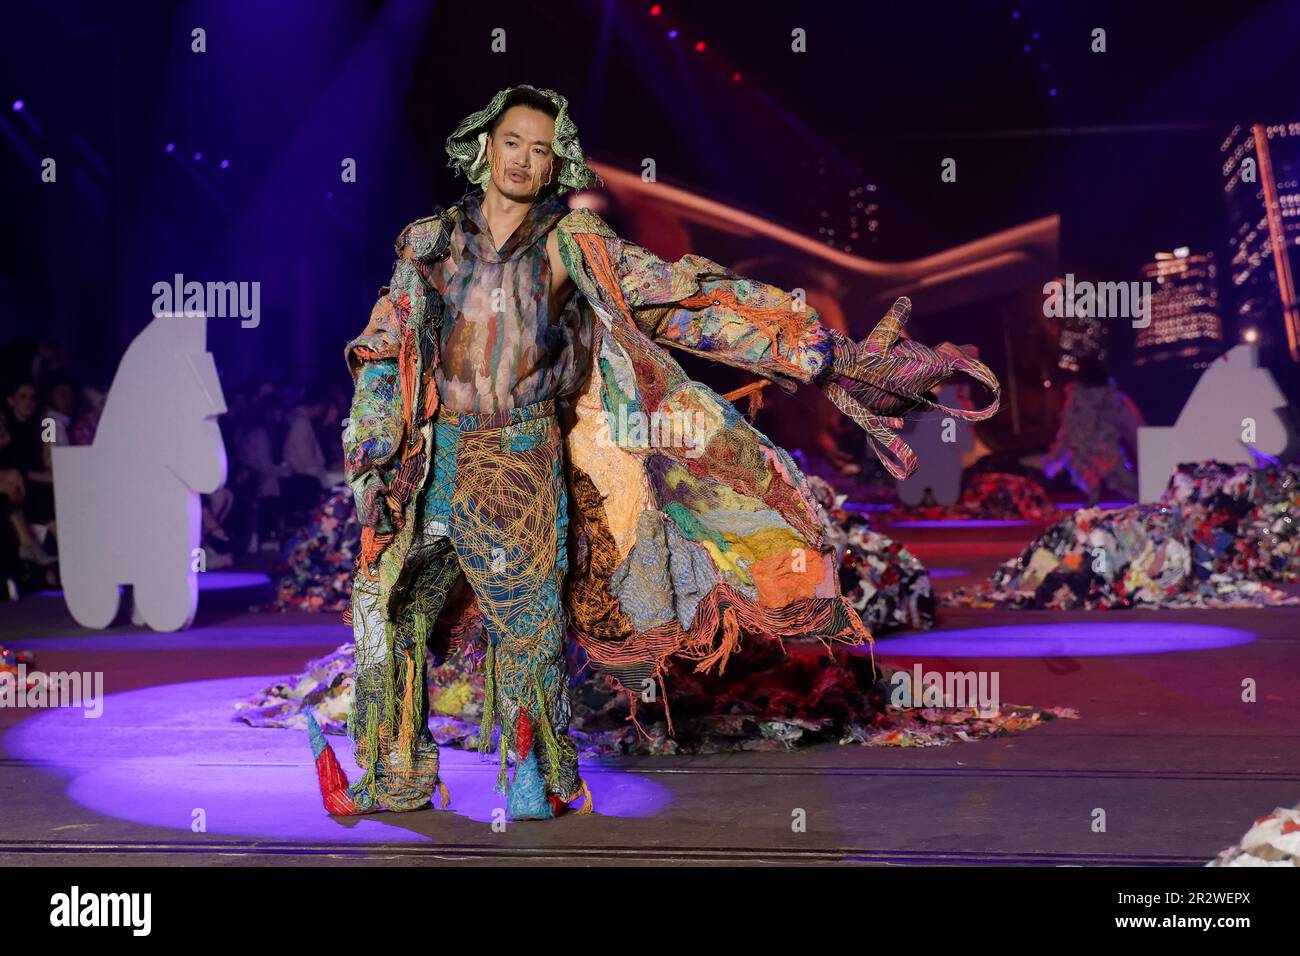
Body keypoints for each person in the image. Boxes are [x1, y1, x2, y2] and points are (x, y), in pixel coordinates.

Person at [312, 85, 1001, 821]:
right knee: (388, 608)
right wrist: (376, 433)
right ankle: (397, 773)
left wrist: (828, 354)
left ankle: (536, 778)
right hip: (431, 459)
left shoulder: (573, 245)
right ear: (484, 147)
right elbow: (386, 341)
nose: (523, 159)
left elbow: (688, 301)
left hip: (520, 456)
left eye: (541, 150)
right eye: (513, 141)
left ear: (555, 167)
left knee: (527, 623)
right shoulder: (430, 244)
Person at [1042, 356, 1144, 505]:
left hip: (1099, 450)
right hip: (1091, 451)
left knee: (1119, 478)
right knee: (1115, 477)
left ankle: (1141, 496)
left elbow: (1067, 431)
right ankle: (1140, 496)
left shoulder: (1108, 399)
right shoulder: (1083, 399)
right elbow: (1068, 430)